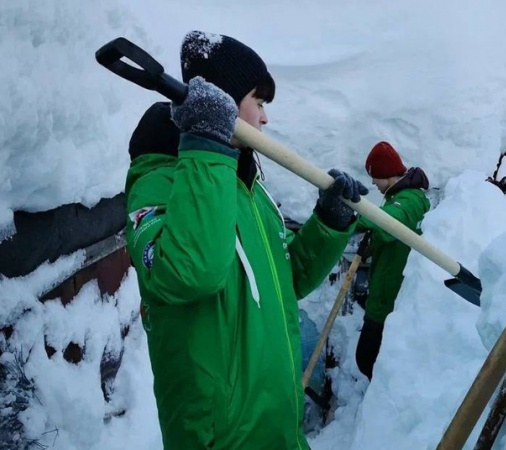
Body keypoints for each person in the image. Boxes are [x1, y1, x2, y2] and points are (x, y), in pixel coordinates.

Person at [124, 30, 368, 449]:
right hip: (224, 439)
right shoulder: (159, 184)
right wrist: (205, 147)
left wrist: (327, 224)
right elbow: (189, 274)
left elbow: (284, 284)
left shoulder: (249, 190)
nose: (265, 119)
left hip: (279, 428)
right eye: (259, 102)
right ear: (222, 99)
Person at [354, 141, 430, 379]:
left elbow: (390, 221)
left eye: (374, 177)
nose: (374, 183)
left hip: (389, 300)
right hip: (383, 295)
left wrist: (349, 216)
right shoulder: (400, 197)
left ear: (386, 173)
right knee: (367, 360)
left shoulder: (410, 200)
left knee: (367, 359)